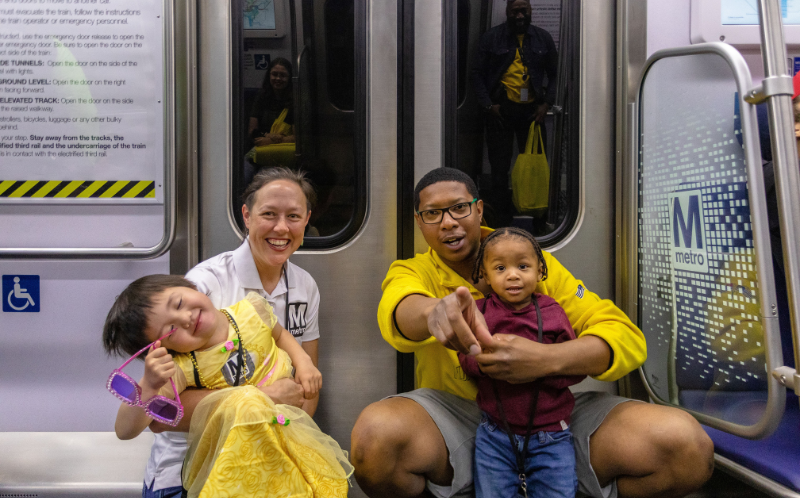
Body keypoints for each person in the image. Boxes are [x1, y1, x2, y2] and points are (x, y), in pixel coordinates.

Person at [351, 168, 714, 498]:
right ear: (419, 221)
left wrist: (545, 361)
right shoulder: (412, 271)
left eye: (459, 208)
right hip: (465, 418)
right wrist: (436, 312)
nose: (448, 223)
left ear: (479, 210)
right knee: (374, 441)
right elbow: (401, 309)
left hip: (551, 419)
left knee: (687, 449)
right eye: (433, 213)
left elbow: (621, 333)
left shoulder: (531, 264)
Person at [141, 167, 323, 498]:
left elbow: (307, 386)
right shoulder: (203, 287)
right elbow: (160, 415)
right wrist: (261, 400)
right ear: (246, 216)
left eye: (293, 216)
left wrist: (287, 443)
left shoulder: (305, 287)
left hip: (272, 460)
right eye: (268, 214)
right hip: (192, 466)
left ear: (307, 219)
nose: (281, 227)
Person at [103, 276, 352, 497]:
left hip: (288, 439)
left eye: (178, 303)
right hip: (234, 461)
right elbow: (125, 430)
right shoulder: (182, 368)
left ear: (189, 285)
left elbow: (279, 335)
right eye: (170, 330)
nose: (185, 319)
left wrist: (304, 363)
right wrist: (149, 384)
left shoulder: (251, 309)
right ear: (163, 349)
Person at [458, 227, 584, 498]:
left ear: (540, 272)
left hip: (551, 436)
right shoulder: (480, 313)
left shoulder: (553, 313)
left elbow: (574, 369)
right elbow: (465, 359)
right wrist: (483, 364)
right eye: (501, 268)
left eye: (523, 266)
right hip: (494, 434)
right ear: (486, 276)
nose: (513, 274)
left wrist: (541, 368)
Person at [472, 0, 557, 226]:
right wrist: (489, 105)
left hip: (532, 113)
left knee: (536, 168)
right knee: (499, 170)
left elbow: (556, 74)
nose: (519, 16)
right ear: (507, 13)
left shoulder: (542, 38)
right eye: (515, 12)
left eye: (523, 11)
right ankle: (502, 222)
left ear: (530, 11)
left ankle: (539, 222)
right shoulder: (492, 38)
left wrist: (546, 104)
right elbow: (477, 74)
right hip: (501, 111)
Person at [245, 57, 297, 183]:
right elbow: (252, 131)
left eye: (283, 75)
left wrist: (269, 140)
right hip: (261, 152)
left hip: (285, 154)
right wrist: (269, 136)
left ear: (289, 78)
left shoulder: (296, 100)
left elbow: (297, 137)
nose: (278, 79)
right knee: (245, 173)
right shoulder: (261, 97)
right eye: (274, 74)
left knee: (265, 178)